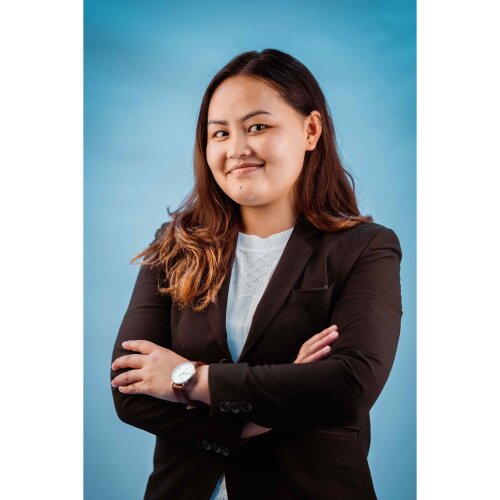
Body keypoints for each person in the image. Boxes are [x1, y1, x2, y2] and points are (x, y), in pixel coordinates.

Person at [110, 48, 403, 500]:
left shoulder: (366, 248)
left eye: (258, 127)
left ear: (310, 130)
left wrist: (188, 379)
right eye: (220, 133)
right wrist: (265, 413)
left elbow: (347, 387)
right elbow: (129, 389)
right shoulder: (174, 247)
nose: (237, 148)